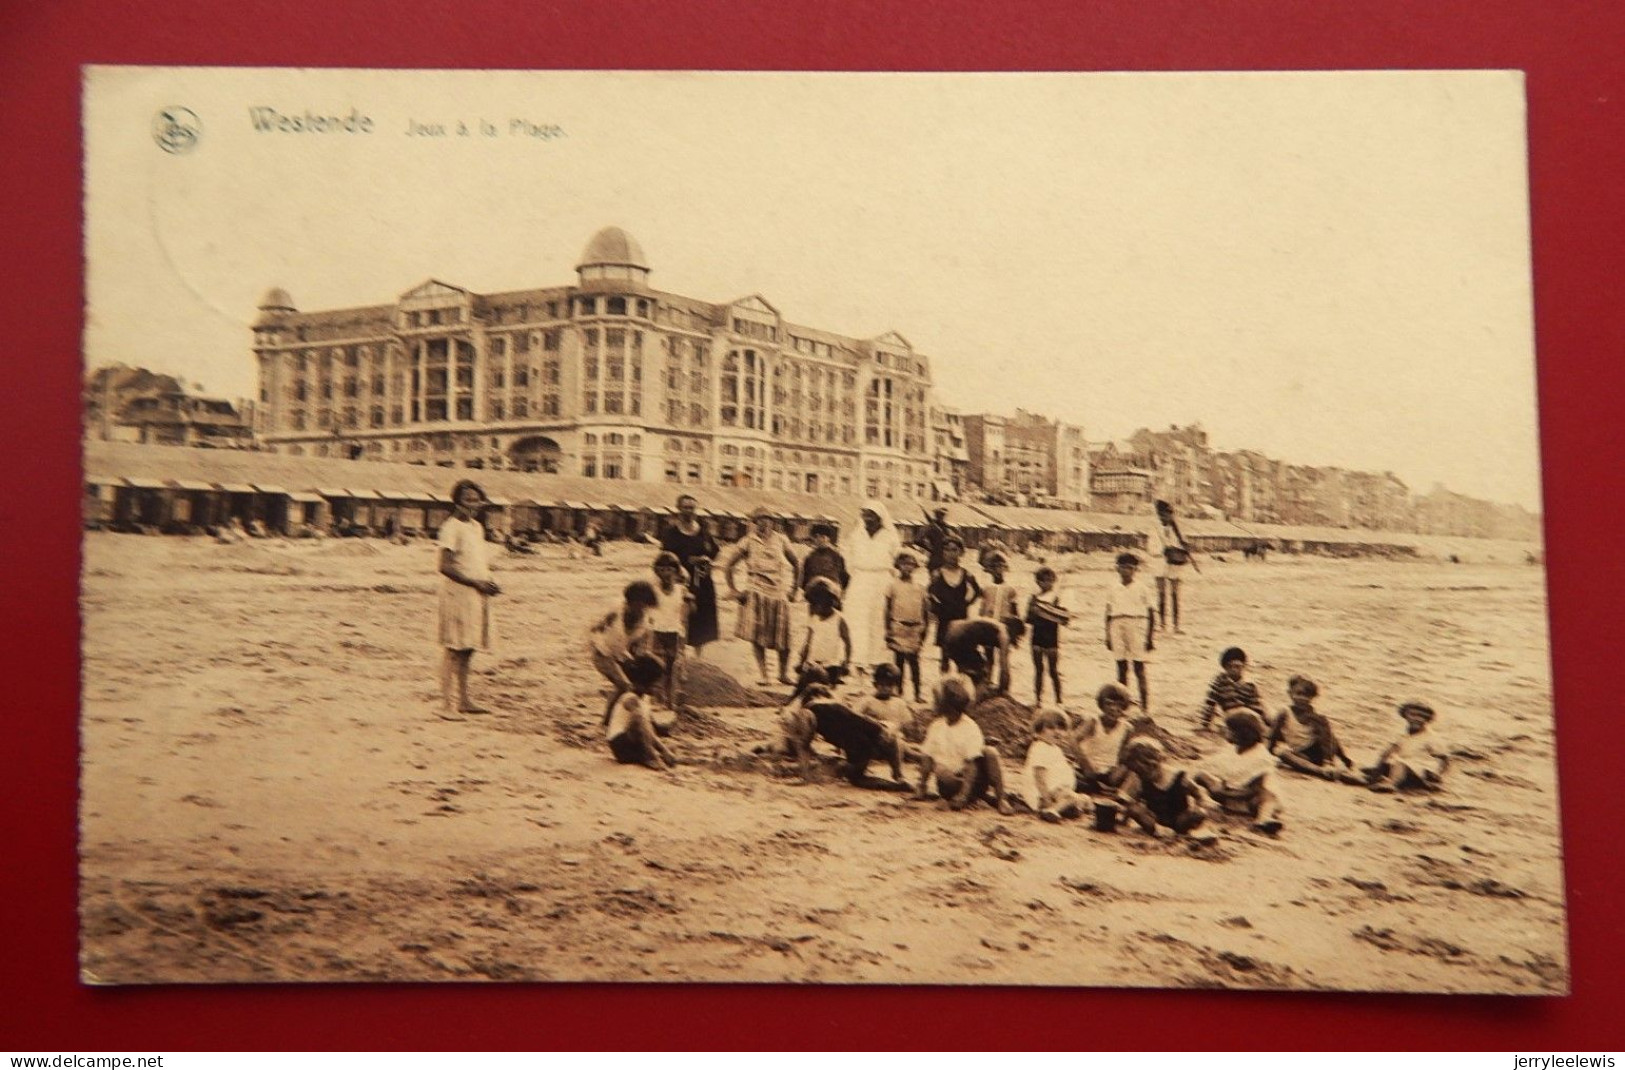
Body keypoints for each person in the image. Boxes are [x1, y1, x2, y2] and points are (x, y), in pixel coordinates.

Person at [437, 479, 502, 720]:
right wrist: (475, 582)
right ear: (457, 502)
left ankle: (464, 700)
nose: (472, 505)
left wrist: (489, 581)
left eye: (476, 500)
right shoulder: (451, 527)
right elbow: (444, 566)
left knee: (469, 648)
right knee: (453, 648)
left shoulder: (476, 527)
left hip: (476, 594)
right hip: (457, 593)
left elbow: (475, 561)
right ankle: (446, 705)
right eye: (467, 500)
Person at [779, 681, 912, 791]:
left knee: (856, 778)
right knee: (892, 740)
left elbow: (804, 746)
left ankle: (895, 785)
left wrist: (805, 776)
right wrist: (879, 728)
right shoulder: (833, 705)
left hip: (858, 744)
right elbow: (853, 716)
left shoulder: (810, 709)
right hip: (871, 736)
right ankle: (898, 775)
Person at [721, 507, 801, 686]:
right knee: (758, 636)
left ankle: (783, 673)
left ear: (773, 522)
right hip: (755, 590)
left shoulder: (781, 540)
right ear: (754, 523)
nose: (763, 524)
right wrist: (734, 590)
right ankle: (764, 675)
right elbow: (729, 565)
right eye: (759, 520)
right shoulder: (747, 541)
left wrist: (794, 589)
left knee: (784, 636)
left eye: (767, 520)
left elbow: (796, 563)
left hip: (779, 591)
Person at [913, 677, 1012, 814]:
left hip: (972, 781)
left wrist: (963, 794)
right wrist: (922, 784)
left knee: (990, 752)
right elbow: (927, 758)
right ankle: (969, 797)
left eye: (936, 701)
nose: (933, 704)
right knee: (942, 772)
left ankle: (1001, 798)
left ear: (947, 706)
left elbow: (972, 765)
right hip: (949, 782)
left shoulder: (970, 728)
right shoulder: (936, 726)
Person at [1194, 709, 1285, 835]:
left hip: (1250, 800)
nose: (1225, 731)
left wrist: (1225, 793)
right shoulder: (1231, 750)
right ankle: (1198, 802)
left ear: (1242, 733)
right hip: (1231, 795)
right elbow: (1210, 766)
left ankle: (1264, 819)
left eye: (1229, 729)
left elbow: (1253, 790)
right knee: (1200, 775)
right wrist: (1215, 786)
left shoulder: (1261, 757)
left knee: (1266, 796)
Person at [841, 500, 905, 671]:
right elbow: (848, 557)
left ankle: (877, 659)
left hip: (882, 579)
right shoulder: (857, 534)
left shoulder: (890, 535)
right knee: (857, 619)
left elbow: (898, 559)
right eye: (865, 514)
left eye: (871, 515)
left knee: (879, 619)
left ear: (879, 517)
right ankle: (858, 658)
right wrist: (856, 575)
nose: (867, 519)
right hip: (860, 579)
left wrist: (891, 577)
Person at [658, 494, 721, 656]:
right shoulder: (671, 532)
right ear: (678, 509)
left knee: (701, 617)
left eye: (692, 507)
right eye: (686, 507)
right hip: (679, 581)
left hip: (703, 581)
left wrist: (707, 560)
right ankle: (680, 654)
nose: (689, 511)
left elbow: (715, 551)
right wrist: (686, 562)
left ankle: (697, 657)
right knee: (680, 617)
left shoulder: (703, 531)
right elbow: (665, 558)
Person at [588, 580, 659, 721]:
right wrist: (599, 645)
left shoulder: (646, 623)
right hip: (602, 654)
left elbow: (641, 649)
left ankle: (630, 718)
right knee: (624, 685)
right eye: (636, 603)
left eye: (644, 605)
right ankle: (607, 720)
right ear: (629, 601)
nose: (640, 608)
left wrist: (636, 660)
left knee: (639, 683)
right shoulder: (615, 612)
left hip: (621, 656)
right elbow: (593, 630)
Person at [1117, 738, 1214, 840]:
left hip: (1179, 819)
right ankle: (1159, 830)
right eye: (1138, 772)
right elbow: (1130, 801)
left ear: (1153, 764)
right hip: (1156, 820)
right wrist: (1123, 818)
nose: (1141, 775)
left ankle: (1186, 831)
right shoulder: (1138, 779)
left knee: (1199, 813)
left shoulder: (1178, 776)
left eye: (1143, 771)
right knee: (1134, 809)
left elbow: (1198, 793)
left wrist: (1200, 805)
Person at [1267, 675, 1359, 781]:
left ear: (1312, 698)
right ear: (1290, 694)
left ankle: (1333, 763)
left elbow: (1327, 739)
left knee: (1325, 728)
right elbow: (1273, 734)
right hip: (1302, 753)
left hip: (1320, 752)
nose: (1302, 698)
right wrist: (1268, 752)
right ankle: (1320, 771)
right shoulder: (1285, 713)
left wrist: (1330, 760)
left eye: (1307, 696)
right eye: (1299, 694)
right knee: (1283, 754)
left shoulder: (1315, 716)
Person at [1006, 708, 1085, 823]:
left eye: (1061, 728)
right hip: (1041, 794)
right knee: (1072, 798)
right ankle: (1052, 810)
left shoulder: (1054, 748)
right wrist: (1047, 801)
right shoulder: (1040, 748)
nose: (1057, 732)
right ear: (1038, 731)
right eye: (1051, 728)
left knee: (1083, 800)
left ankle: (1065, 808)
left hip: (1055, 792)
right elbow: (1039, 779)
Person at [605, 655, 678, 772]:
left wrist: (664, 750)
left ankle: (652, 755)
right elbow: (641, 726)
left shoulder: (644, 700)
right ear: (646, 681)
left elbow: (649, 731)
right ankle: (650, 758)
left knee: (649, 725)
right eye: (656, 684)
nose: (659, 687)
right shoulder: (630, 698)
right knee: (640, 719)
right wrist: (653, 753)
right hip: (621, 745)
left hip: (633, 742)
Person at [1103, 552, 1156, 712]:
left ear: (1135, 570)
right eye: (1123, 567)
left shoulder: (1142, 588)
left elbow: (1151, 613)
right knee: (1121, 666)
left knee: (1139, 667)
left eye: (1131, 568)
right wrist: (1107, 635)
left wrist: (1150, 637)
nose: (1127, 571)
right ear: (1117, 569)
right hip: (1117, 623)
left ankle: (1145, 707)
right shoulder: (1113, 588)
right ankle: (1122, 704)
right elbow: (1107, 612)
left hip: (1137, 623)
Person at [1363, 701, 1450, 792]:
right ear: (1405, 716)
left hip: (1422, 771)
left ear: (1428, 720)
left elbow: (1444, 758)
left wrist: (1440, 775)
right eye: (1413, 715)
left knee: (1401, 764)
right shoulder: (1404, 736)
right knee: (1386, 760)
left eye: (1422, 716)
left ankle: (1391, 783)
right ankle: (1371, 779)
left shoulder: (1430, 737)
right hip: (1405, 769)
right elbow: (1388, 753)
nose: (1417, 718)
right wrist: (1380, 766)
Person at [1069, 682, 1136, 795]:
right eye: (1109, 704)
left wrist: (1120, 767)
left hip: (1110, 773)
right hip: (1087, 770)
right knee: (1069, 774)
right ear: (1101, 705)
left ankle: (1110, 790)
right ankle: (1098, 788)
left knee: (1134, 770)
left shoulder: (1127, 728)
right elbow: (1073, 740)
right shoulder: (1093, 722)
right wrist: (1086, 765)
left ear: (1125, 707)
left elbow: (1125, 754)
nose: (1114, 709)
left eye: (1119, 705)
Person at [928, 536, 982, 673]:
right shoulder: (937, 574)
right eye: (947, 550)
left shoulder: (966, 574)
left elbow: (977, 592)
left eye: (954, 550)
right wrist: (936, 607)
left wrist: (966, 603)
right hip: (944, 619)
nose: (951, 554)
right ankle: (945, 685)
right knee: (944, 656)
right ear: (942, 553)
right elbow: (929, 593)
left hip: (961, 618)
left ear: (961, 552)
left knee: (961, 655)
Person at [648, 551, 693, 710]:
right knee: (657, 666)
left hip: (674, 632)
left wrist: (690, 602)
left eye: (670, 570)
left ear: (676, 572)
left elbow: (688, 613)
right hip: (657, 631)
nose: (666, 574)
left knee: (672, 667)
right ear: (657, 572)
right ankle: (656, 699)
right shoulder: (653, 590)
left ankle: (670, 701)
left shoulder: (681, 591)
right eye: (662, 570)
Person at [884, 551, 931, 702]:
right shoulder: (892, 586)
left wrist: (925, 629)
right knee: (898, 663)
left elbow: (925, 611)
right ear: (898, 566)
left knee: (914, 662)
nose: (907, 568)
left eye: (911, 565)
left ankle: (917, 693)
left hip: (914, 629)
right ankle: (898, 691)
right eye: (904, 564)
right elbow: (887, 609)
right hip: (898, 626)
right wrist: (888, 629)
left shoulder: (920, 588)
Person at [856, 662, 914, 783]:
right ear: (875, 684)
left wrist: (899, 728)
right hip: (875, 739)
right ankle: (897, 774)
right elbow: (854, 718)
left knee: (910, 749)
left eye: (889, 685)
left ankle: (899, 772)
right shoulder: (867, 701)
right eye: (881, 685)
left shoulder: (899, 703)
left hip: (896, 740)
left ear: (895, 686)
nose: (885, 688)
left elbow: (907, 725)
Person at [941, 616, 1022, 698]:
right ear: (1014, 630)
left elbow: (990, 660)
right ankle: (974, 700)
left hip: (951, 633)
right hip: (961, 638)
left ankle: (960, 695)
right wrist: (1004, 689)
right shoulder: (1003, 633)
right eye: (1017, 636)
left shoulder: (991, 628)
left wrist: (988, 681)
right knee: (978, 675)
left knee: (967, 672)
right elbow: (1004, 666)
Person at [1026, 565, 1071, 704]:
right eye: (1045, 580)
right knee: (1038, 670)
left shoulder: (1057, 598)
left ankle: (1059, 700)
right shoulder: (1034, 599)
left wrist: (1047, 610)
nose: (1048, 583)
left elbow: (1065, 619)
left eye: (1051, 580)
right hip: (1037, 637)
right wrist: (1034, 611)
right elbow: (1028, 620)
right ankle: (1037, 699)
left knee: (1053, 671)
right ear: (1038, 582)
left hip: (1052, 639)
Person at [796, 576, 852, 681]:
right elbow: (808, 642)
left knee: (824, 683)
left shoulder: (838, 619)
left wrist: (847, 662)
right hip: (813, 663)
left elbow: (847, 643)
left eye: (814, 605)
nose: (811, 608)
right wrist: (801, 661)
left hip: (831, 665)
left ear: (826, 603)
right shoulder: (814, 619)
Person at [1151, 500, 1194, 634]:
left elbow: (1185, 545)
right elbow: (1151, 548)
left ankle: (1176, 626)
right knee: (1162, 594)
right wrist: (1164, 549)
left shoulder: (1177, 529)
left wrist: (1181, 547)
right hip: (1160, 563)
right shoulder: (1154, 528)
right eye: (1164, 515)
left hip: (1175, 564)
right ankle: (1162, 624)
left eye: (1169, 514)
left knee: (1175, 594)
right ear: (1159, 515)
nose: (1168, 517)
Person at [1200, 647, 1264, 732]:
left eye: (1237, 667)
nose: (1233, 670)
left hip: (1250, 716)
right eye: (1230, 666)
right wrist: (1205, 724)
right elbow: (1210, 703)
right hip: (1231, 715)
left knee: (1265, 709)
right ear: (1225, 667)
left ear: (1243, 666)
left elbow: (1255, 705)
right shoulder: (1220, 682)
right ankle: (1266, 733)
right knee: (1247, 713)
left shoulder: (1249, 685)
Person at [798, 523, 849, 593]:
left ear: (828, 539)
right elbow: (804, 579)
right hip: (814, 588)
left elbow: (844, 577)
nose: (819, 539)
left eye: (822, 537)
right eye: (816, 537)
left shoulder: (836, 556)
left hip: (832, 587)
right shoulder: (810, 557)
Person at [979, 551, 1020, 625]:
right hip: (988, 624)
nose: (997, 571)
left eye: (1000, 567)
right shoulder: (986, 588)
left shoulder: (1010, 589)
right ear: (990, 570)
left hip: (1004, 624)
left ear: (1004, 569)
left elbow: (1014, 611)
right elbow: (982, 609)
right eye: (993, 568)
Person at [915, 505, 953, 573]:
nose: (942, 516)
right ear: (936, 515)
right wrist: (930, 549)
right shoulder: (930, 527)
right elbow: (917, 540)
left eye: (943, 514)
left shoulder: (947, 527)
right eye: (940, 514)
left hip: (948, 561)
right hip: (935, 561)